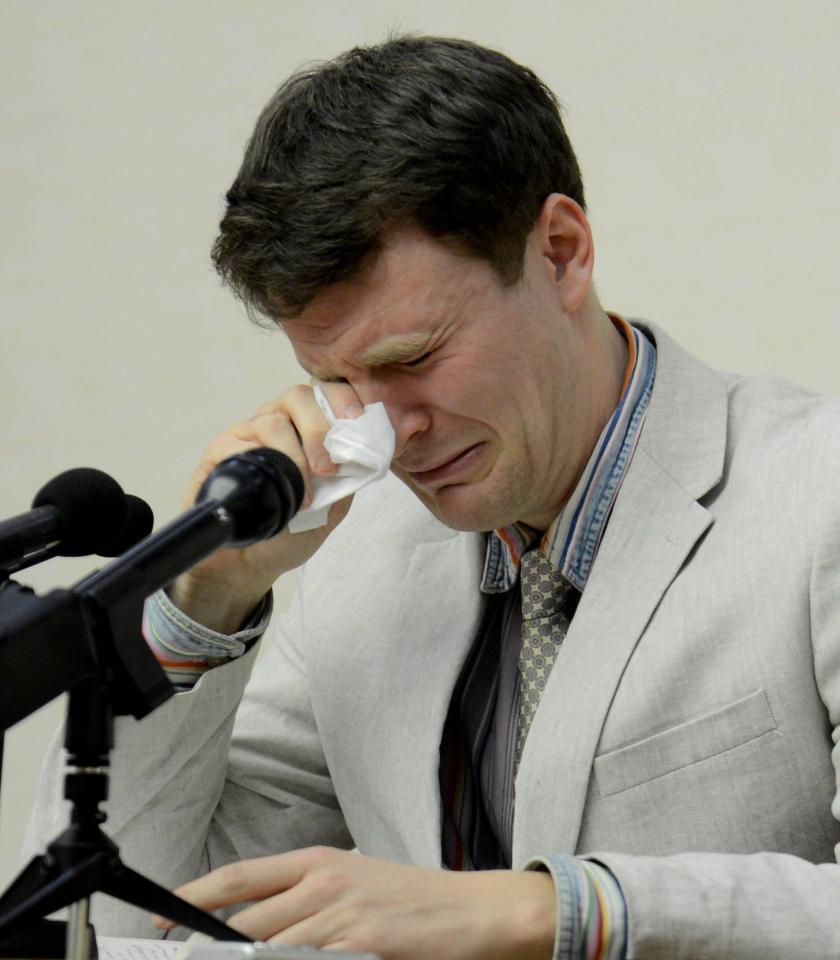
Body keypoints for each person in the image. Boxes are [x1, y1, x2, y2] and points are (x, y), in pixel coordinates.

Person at [28, 35, 840, 960]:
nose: (390, 432)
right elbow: (121, 925)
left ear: (562, 253)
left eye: (411, 358)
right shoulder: (362, 565)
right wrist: (209, 598)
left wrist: (545, 913)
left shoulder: (817, 491)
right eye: (333, 379)